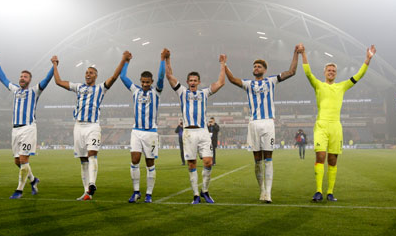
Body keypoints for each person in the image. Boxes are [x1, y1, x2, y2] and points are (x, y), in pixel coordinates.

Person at [224, 44, 301, 203]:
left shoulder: (271, 81)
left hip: (267, 123)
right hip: (253, 124)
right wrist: (224, 64)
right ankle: (262, 190)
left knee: (268, 158)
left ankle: (268, 193)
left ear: (265, 69)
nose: (256, 68)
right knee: (257, 159)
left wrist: (295, 53)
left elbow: (292, 71)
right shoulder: (248, 84)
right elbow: (232, 79)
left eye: (259, 66)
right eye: (254, 66)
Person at [300, 43, 375, 202]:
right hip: (321, 125)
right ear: (325, 72)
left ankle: (330, 192)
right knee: (320, 156)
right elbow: (307, 72)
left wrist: (367, 60)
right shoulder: (318, 85)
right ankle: (318, 191)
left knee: (332, 160)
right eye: (329, 70)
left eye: (334, 70)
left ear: (336, 73)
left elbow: (359, 75)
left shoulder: (342, 86)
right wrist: (303, 54)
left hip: (336, 127)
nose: (331, 72)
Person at [52, 52, 127, 201]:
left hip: (92, 126)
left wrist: (123, 60)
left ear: (96, 76)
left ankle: (92, 184)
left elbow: (114, 76)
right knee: (82, 160)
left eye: (91, 73)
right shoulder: (78, 87)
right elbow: (58, 82)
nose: (88, 74)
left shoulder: (101, 88)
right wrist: (54, 64)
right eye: (86, 72)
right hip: (78, 126)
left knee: (92, 153)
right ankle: (86, 192)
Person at [165, 48, 226, 204]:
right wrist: (167, 59)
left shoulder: (204, 93)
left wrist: (222, 64)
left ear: (199, 82)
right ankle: (195, 195)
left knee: (208, 162)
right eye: (190, 80)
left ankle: (205, 191)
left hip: (203, 131)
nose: (192, 83)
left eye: (195, 80)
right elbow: (169, 76)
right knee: (192, 163)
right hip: (188, 133)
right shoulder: (182, 92)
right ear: (187, 82)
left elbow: (220, 83)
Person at [0, 60, 54, 199]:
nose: (22, 78)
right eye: (21, 76)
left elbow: (46, 80)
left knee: (23, 159)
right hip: (15, 129)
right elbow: (3, 79)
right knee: (17, 161)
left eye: (25, 77)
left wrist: (54, 66)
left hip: (28, 128)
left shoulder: (35, 91)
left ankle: (19, 190)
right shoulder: (15, 89)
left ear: (30, 80)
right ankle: (33, 180)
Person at [119, 49, 166, 203]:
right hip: (137, 131)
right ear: (140, 81)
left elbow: (161, 77)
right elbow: (123, 77)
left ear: (151, 82)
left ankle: (149, 194)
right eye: (143, 82)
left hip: (151, 132)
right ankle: (136, 191)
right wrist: (126, 61)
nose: (145, 84)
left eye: (147, 82)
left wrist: (162, 60)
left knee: (150, 163)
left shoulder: (156, 92)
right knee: (134, 160)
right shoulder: (135, 91)